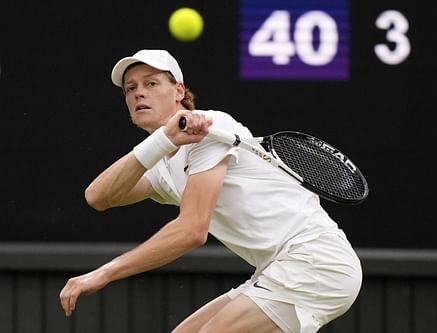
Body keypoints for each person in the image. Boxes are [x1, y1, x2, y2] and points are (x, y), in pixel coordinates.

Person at [59, 49, 363, 333]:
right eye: (130, 88)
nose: (138, 92)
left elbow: (192, 230)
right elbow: (98, 197)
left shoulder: (213, 128)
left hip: (317, 261)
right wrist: (164, 138)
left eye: (151, 83)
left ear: (179, 91)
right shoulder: (164, 166)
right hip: (279, 269)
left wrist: (105, 273)